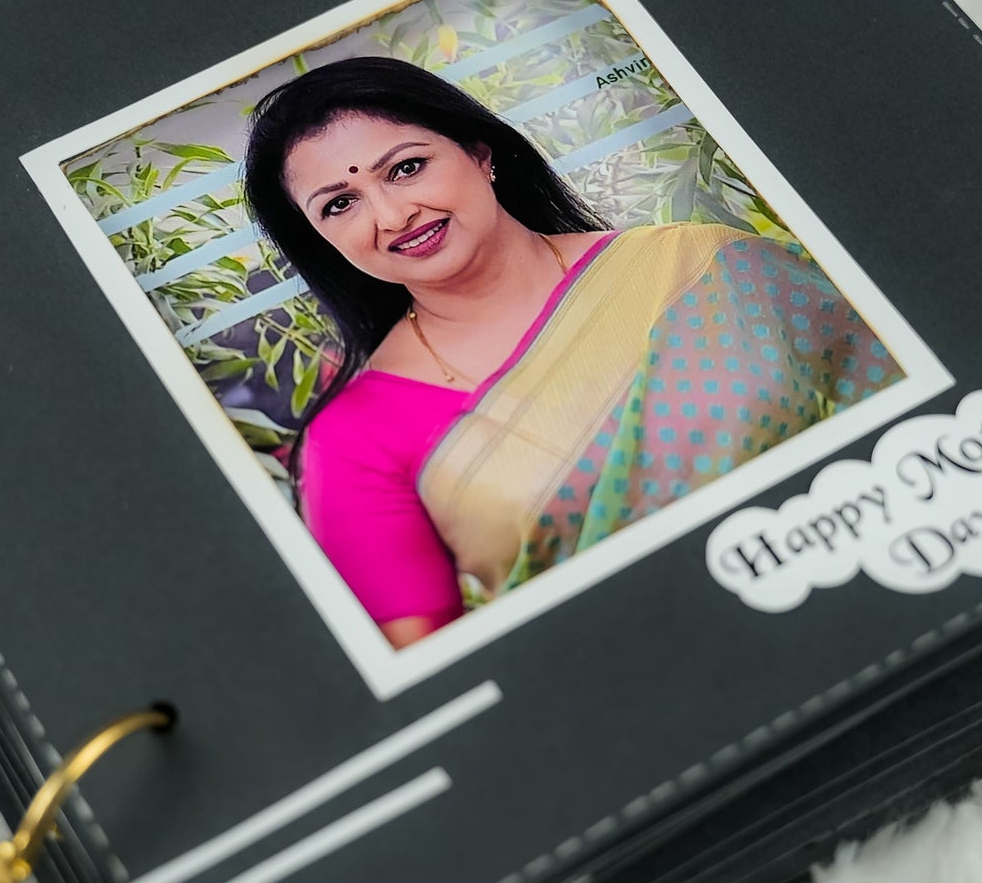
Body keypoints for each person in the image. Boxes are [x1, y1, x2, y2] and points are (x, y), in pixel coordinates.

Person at [242, 55, 901, 648]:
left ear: (480, 154)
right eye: (341, 205)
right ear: (320, 239)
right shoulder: (352, 440)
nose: (391, 215)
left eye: (407, 168)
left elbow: (906, 403)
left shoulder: (703, 265)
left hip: (898, 574)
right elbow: (433, 674)